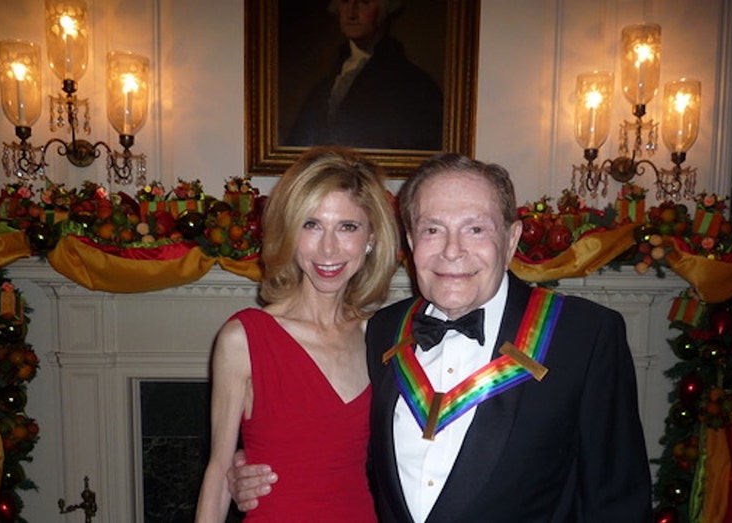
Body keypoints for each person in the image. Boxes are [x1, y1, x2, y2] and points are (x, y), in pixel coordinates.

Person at [229, 153, 653, 522]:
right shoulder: (381, 330)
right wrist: (249, 469)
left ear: (511, 240)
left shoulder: (584, 335)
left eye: (475, 229)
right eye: (433, 229)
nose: (452, 251)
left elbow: (617, 503)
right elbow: (347, 449)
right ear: (411, 242)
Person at [194, 145, 401, 522]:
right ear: (290, 232)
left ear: (371, 237)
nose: (328, 248)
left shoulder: (382, 337)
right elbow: (218, 473)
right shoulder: (244, 339)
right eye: (311, 224)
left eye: (348, 227)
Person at [284, 0, 443, 150]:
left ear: (386, 9)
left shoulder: (414, 85)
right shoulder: (325, 85)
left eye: (364, 2)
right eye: (345, 1)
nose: (351, 13)